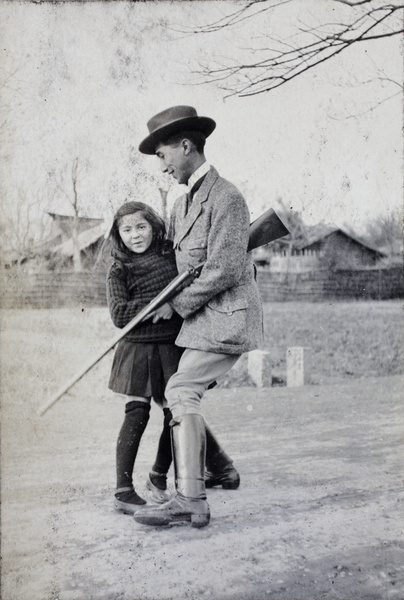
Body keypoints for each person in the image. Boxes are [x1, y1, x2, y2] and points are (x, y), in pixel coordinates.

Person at [133, 105, 263, 528]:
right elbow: (178, 263)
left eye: (164, 154)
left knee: (182, 388)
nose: (162, 165)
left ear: (186, 146)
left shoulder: (226, 197)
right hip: (202, 320)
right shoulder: (182, 203)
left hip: (226, 318)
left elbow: (224, 269)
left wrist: (176, 304)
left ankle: (191, 498)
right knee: (180, 390)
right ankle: (197, 485)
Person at [107, 200, 240, 515]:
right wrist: (152, 308)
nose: (135, 235)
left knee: (174, 413)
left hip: (172, 345)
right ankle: (123, 490)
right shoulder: (118, 267)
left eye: (141, 227)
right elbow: (119, 313)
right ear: (118, 234)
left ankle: (158, 475)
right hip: (136, 348)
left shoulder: (170, 255)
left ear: (153, 226)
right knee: (136, 413)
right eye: (127, 229)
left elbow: (190, 293)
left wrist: (174, 303)